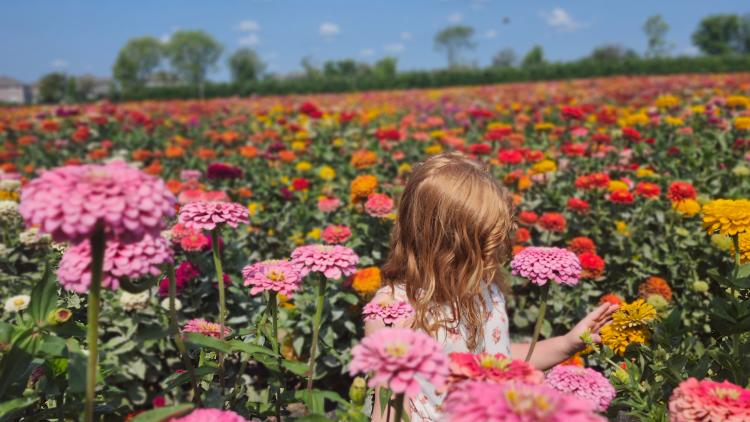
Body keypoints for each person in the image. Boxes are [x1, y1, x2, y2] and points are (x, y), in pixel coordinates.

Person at [365, 152, 618, 421]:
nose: (495, 254)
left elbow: (499, 360)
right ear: (446, 247)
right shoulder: (392, 311)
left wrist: (567, 344)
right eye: (484, 246)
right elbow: (386, 409)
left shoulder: (483, 289)